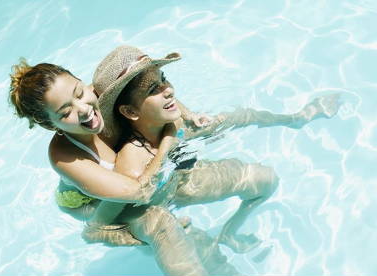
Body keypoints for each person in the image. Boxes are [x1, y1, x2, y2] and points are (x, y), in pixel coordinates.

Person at [87, 45, 341, 253]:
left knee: (263, 174)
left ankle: (295, 119)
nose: (170, 90)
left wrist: (189, 114)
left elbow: (166, 96)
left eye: (164, 79)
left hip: (181, 162)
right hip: (173, 191)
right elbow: (97, 228)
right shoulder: (131, 162)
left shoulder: (167, 119)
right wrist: (150, 235)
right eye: (154, 89)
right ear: (130, 112)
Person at [8, 58, 216, 276]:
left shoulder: (98, 94)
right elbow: (137, 192)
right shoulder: (63, 156)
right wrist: (168, 140)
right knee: (155, 220)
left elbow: (153, 90)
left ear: (82, 83)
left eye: (79, 93)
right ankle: (98, 231)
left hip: (123, 180)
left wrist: (188, 114)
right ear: (50, 125)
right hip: (90, 203)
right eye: (65, 112)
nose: (83, 109)